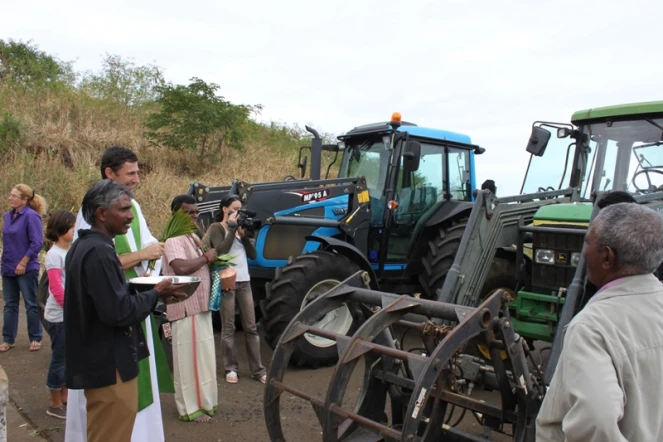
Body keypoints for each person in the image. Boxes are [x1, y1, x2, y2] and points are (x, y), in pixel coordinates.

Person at [64, 180, 186, 442]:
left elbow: (105, 300)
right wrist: (156, 294)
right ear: (101, 213)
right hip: (110, 366)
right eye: (123, 209)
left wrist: (147, 293)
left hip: (100, 361)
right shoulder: (99, 253)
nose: (131, 215)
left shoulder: (85, 247)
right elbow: (117, 312)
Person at [536, 203, 663, 441]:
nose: (583, 251)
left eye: (587, 242)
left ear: (607, 257)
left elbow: (596, 423)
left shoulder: (592, 328)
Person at [161, 195, 218, 422]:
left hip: (199, 307)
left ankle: (204, 403)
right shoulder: (174, 239)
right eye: (188, 212)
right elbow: (180, 267)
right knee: (188, 361)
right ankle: (190, 408)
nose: (194, 216)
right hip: (185, 307)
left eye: (195, 212)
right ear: (176, 214)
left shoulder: (191, 237)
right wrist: (206, 257)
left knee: (202, 359)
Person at [202, 194, 266, 384]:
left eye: (240, 210)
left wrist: (244, 237)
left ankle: (258, 370)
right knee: (228, 327)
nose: (239, 213)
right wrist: (231, 230)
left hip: (244, 281)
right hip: (226, 281)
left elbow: (254, 255)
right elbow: (221, 251)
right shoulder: (216, 228)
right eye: (235, 210)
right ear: (225, 209)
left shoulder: (241, 228)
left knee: (251, 327)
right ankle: (230, 368)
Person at [1, 184, 47, 353]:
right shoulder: (7, 216)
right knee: (10, 304)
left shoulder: (31, 216)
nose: (10, 198)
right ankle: (8, 339)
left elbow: (37, 243)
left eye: (14, 196)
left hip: (26, 267)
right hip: (8, 266)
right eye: (10, 195)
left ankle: (35, 337)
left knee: (31, 303)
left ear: (25, 199)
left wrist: (23, 262)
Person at [43, 210, 76, 419]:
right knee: (60, 359)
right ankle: (54, 403)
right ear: (60, 230)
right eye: (72, 228)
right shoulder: (54, 255)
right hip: (60, 317)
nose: (75, 231)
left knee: (69, 358)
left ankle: (65, 397)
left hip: (70, 315)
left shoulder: (71, 251)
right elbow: (56, 288)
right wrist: (74, 308)